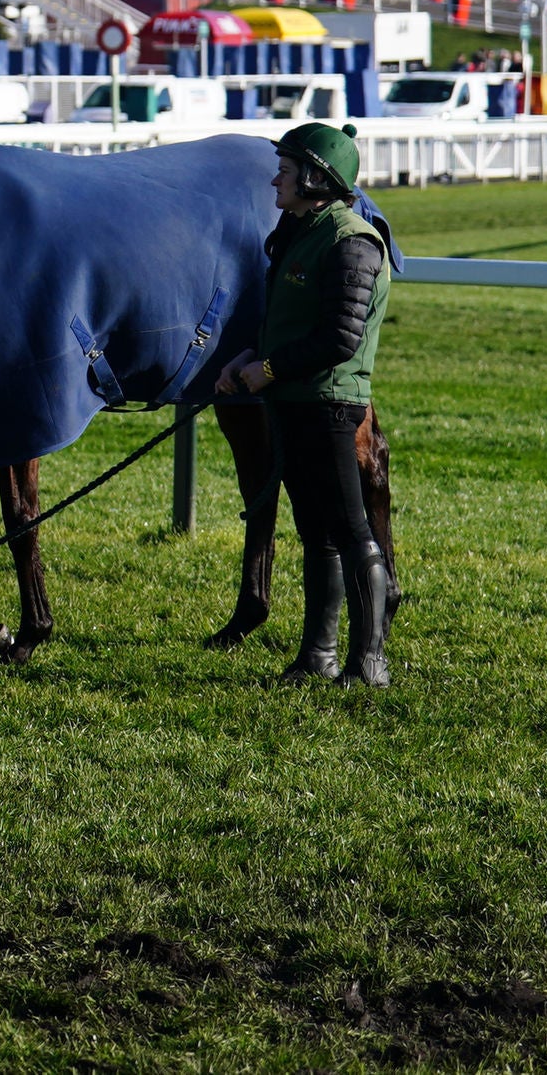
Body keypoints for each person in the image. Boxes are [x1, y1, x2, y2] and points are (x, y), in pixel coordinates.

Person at [218, 122, 393, 687]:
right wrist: (247, 356)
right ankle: (317, 656)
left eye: (286, 171)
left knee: (350, 529)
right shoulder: (299, 231)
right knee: (315, 532)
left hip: (333, 407)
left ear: (316, 178)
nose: (275, 181)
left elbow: (339, 340)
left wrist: (264, 371)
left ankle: (369, 662)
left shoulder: (353, 242)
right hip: (294, 404)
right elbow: (289, 324)